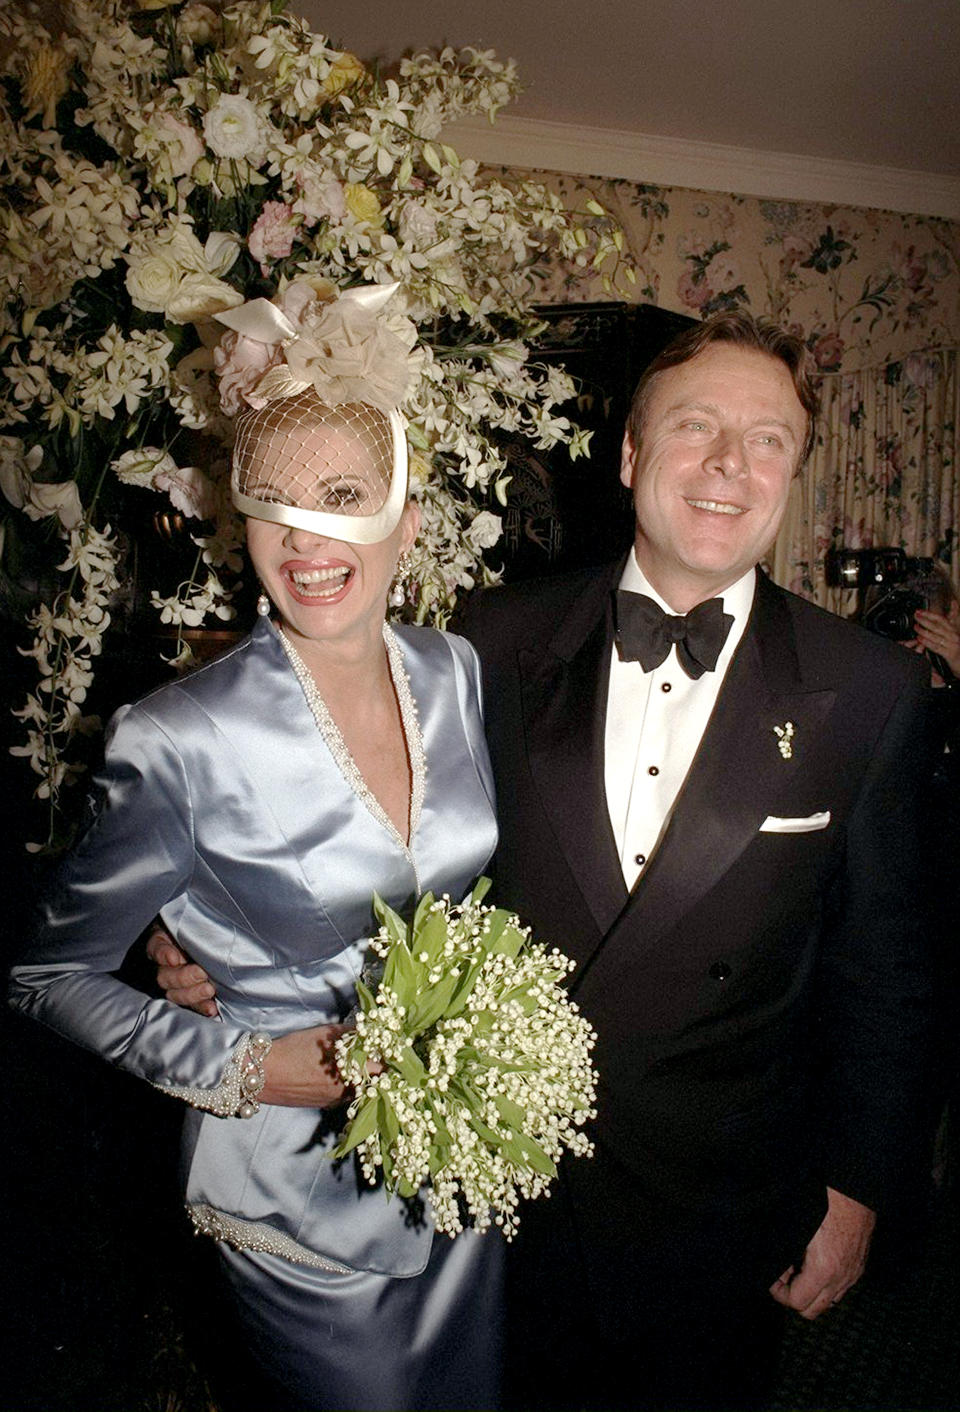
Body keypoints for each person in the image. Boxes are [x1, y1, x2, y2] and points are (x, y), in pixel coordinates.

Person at [154, 311, 935, 1410]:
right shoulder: (487, 642)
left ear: (795, 469)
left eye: (768, 439)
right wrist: (209, 930)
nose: (728, 463)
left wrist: (856, 1192)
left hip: (717, 1201)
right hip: (501, 1190)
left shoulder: (871, 691)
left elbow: (889, 975)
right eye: (695, 426)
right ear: (628, 455)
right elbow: (353, 825)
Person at [9, 345, 503, 1409]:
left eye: (342, 497)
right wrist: (242, 1063)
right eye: (272, 503)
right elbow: (45, 973)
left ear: (406, 518)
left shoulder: (453, 671)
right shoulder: (177, 736)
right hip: (298, 1200)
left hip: (459, 1167)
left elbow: (454, 897)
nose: (305, 538)